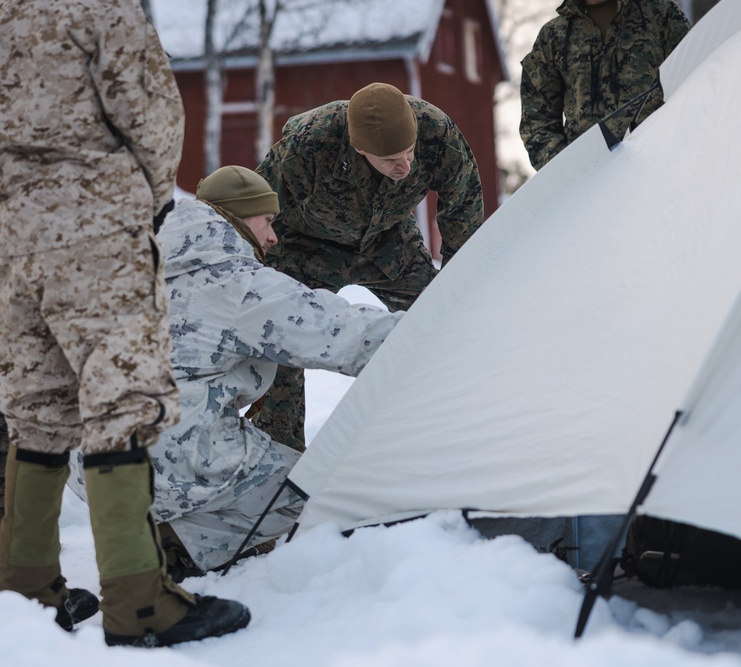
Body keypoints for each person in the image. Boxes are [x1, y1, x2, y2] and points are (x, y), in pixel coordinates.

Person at [0, 0, 249, 647]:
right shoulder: (98, 7)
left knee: (37, 405)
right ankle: (141, 602)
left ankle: (25, 586)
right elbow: (150, 110)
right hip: (95, 230)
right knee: (122, 400)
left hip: (8, 238)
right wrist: (153, 200)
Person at [67, 166, 405, 580]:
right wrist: (433, 330)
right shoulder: (234, 283)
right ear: (242, 217)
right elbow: (344, 335)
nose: (273, 237)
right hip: (172, 457)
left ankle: (164, 527)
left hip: (90, 464)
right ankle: (182, 541)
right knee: (314, 497)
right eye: (268, 222)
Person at [252, 82, 484, 450]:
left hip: (387, 239)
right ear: (360, 149)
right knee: (286, 344)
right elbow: (257, 212)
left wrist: (459, 285)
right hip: (305, 244)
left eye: (409, 151)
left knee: (441, 318)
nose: (405, 165)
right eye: (391, 158)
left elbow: (463, 215)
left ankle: (461, 424)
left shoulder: (436, 132)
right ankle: (281, 455)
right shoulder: (311, 143)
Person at [519, 0, 690, 170]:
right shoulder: (554, 36)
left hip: (659, 168)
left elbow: (694, 85)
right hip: (589, 181)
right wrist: (567, 171)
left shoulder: (661, 15)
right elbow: (537, 122)